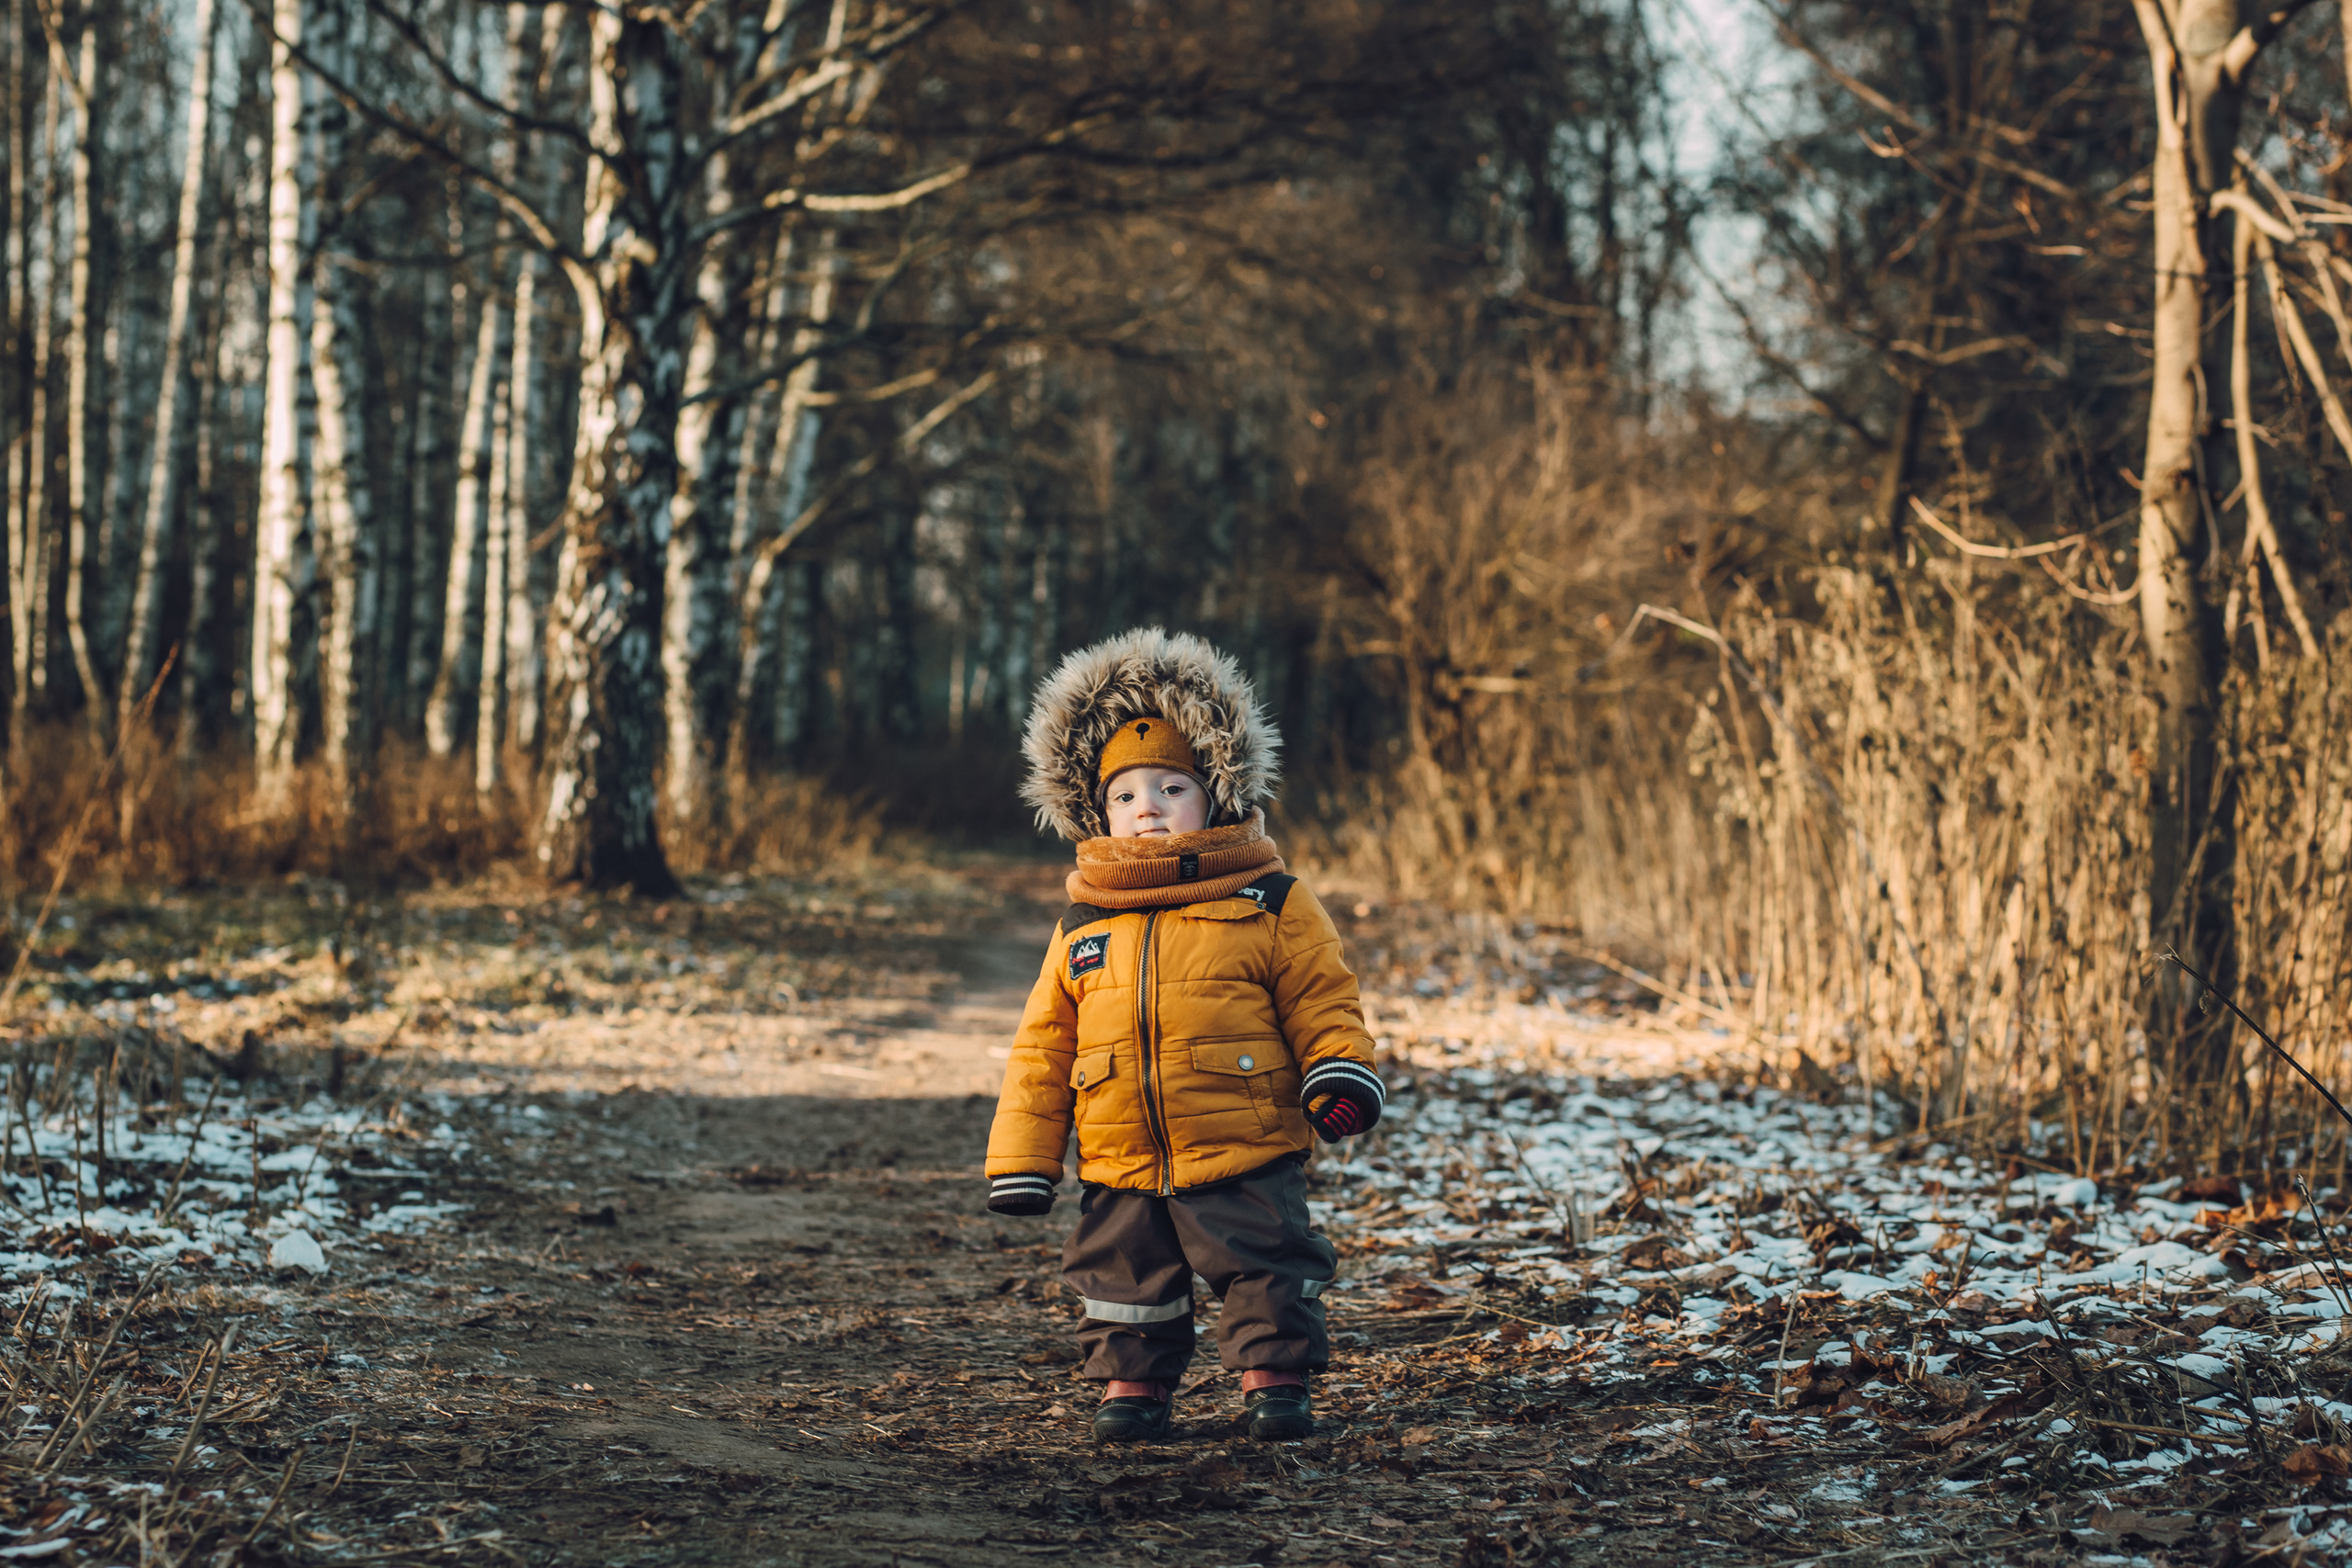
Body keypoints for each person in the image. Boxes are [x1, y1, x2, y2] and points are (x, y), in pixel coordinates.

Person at [983, 627, 1386, 1443]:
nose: (1149, 809)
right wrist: (1024, 1158)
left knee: (1267, 1264)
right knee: (1123, 1275)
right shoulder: (1083, 925)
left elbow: (1321, 996)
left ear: (1218, 795)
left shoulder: (1268, 901)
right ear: (1098, 811)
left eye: (1172, 787)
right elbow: (1041, 1052)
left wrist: (1338, 1071)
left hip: (1243, 1138)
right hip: (1119, 1152)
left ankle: (1275, 1379)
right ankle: (1132, 1387)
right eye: (1127, 796)